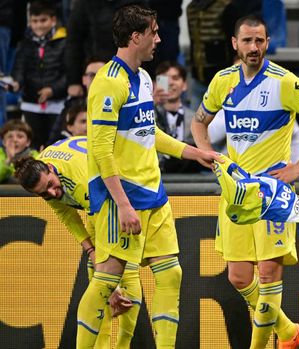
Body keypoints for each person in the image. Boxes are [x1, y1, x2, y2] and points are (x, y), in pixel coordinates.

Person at [76, 5, 222, 348]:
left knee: (171, 272)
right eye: (154, 32)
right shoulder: (108, 83)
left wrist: (192, 151)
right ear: (135, 36)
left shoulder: (142, 77)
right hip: (120, 197)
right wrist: (123, 205)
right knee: (107, 279)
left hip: (153, 193)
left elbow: (148, 132)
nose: (159, 38)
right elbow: (100, 149)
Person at [191, 15, 299, 349]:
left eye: (259, 41)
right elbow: (198, 123)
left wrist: (298, 167)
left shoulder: (284, 81)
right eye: (247, 41)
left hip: (272, 194)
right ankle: (288, 331)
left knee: (269, 276)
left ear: (267, 42)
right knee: (239, 277)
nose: (253, 47)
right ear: (235, 43)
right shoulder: (222, 81)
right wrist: (214, 160)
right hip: (237, 195)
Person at [13, 137, 142, 349]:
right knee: (98, 271)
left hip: (123, 191)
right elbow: (67, 216)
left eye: (51, 185)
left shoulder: (80, 181)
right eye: (45, 194)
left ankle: (122, 345)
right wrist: (91, 251)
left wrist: (111, 283)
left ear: (51, 169)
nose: (53, 193)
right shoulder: (45, 176)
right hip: (97, 198)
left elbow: (109, 241)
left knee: (123, 270)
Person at [10, 0, 67, 150]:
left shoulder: (65, 42)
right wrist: (16, 83)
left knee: (55, 147)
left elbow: (69, 74)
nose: (39, 25)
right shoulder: (25, 43)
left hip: (58, 105)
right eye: (34, 21)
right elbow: (19, 69)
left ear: (53, 20)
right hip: (31, 105)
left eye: (43, 20)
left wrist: (52, 90)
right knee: (34, 148)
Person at [153, 60, 200, 173]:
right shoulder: (148, 114)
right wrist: (151, 104)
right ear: (156, 84)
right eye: (164, 78)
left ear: (184, 85)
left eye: (175, 78)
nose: (170, 83)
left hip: (189, 177)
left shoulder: (196, 117)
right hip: (158, 172)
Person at [0, 119, 39, 183]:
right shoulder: (0, 154)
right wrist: (8, 160)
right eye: (10, 136)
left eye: (20, 136)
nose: (15, 140)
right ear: (3, 141)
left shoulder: (33, 155)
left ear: (28, 142)